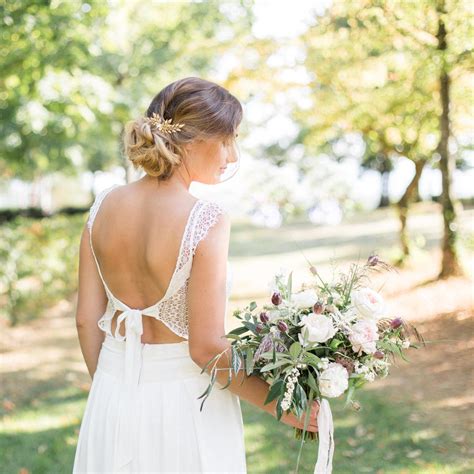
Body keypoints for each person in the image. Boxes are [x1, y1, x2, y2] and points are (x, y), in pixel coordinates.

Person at [72, 76, 319, 473]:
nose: (232, 155)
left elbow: (86, 319)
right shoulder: (204, 219)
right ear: (189, 140)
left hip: (111, 392)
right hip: (184, 404)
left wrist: (111, 387)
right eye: (225, 139)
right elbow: (205, 349)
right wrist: (281, 405)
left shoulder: (101, 208)